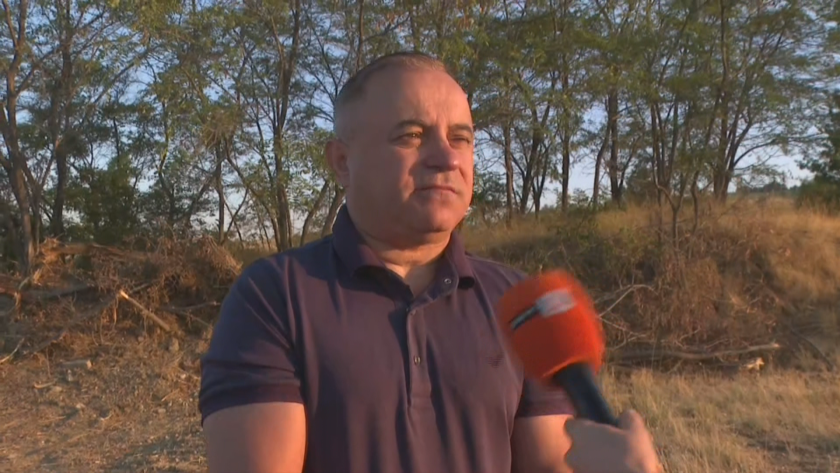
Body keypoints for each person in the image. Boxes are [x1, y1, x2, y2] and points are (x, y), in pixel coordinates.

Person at [198, 51, 663, 473]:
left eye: (461, 138)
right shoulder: (274, 296)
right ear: (341, 161)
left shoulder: (518, 303)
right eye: (412, 136)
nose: (446, 158)